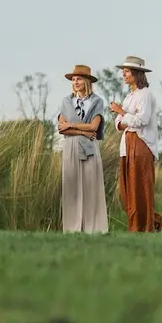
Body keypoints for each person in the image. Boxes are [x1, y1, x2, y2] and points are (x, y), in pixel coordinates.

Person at [109, 55, 162, 233]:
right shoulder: (129, 97)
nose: (123, 75)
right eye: (123, 72)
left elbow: (141, 120)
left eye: (126, 72)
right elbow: (118, 124)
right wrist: (126, 117)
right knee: (128, 191)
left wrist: (122, 112)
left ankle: (142, 227)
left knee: (141, 188)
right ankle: (157, 222)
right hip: (126, 146)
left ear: (136, 73)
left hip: (141, 144)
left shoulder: (145, 95)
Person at [55, 65, 109, 234]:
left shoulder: (97, 101)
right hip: (70, 146)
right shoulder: (66, 101)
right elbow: (61, 129)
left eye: (79, 79)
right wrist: (80, 131)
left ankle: (94, 227)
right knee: (71, 187)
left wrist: (71, 125)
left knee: (91, 187)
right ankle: (72, 228)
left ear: (87, 81)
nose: (76, 82)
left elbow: (93, 127)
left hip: (89, 147)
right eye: (73, 79)